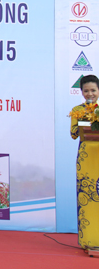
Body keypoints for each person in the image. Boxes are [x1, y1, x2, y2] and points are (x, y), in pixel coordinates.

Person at [70, 74, 99, 250]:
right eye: (86, 91)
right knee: (87, 198)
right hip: (86, 159)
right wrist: (85, 120)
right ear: (81, 92)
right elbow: (73, 134)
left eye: (93, 90)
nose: (90, 94)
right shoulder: (77, 110)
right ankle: (88, 240)